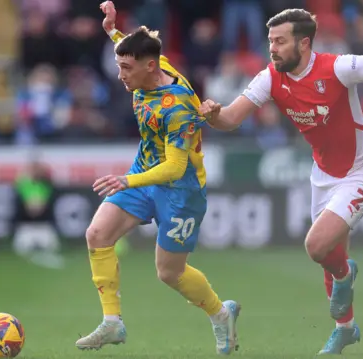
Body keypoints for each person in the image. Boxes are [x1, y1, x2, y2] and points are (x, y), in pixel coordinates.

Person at [200, 8, 363, 355]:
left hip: (362, 171)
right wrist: (215, 116)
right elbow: (231, 118)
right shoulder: (270, 77)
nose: (272, 48)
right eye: (270, 41)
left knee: (317, 246)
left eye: (279, 41)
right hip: (323, 175)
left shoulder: (337, 67)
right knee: (330, 253)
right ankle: (345, 329)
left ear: (303, 43)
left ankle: (343, 276)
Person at [75, 1, 241, 355]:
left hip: (180, 189)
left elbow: (175, 167)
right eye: (119, 65)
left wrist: (126, 181)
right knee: (97, 234)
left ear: (149, 68)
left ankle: (220, 313)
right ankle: (112, 323)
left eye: (126, 68)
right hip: (143, 174)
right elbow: (134, 45)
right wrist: (111, 29)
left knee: (169, 273)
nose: (121, 74)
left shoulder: (177, 107)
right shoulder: (151, 65)